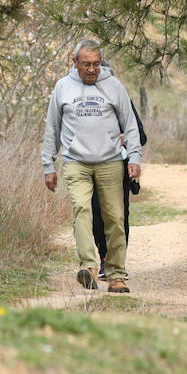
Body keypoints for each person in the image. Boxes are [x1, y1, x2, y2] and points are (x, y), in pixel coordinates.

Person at [42, 39, 142, 294]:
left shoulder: (113, 85)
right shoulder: (63, 87)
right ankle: (88, 267)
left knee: (115, 218)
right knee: (82, 211)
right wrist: (48, 166)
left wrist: (134, 158)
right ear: (74, 62)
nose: (92, 69)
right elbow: (52, 128)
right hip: (76, 162)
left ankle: (116, 275)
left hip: (110, 162)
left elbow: (130, 124)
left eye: (96, 64)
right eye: (86, 64)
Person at [93, 95, 145, 280]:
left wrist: (123, 139)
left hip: (119, 168)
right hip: (90, 165)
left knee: (119, 216)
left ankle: (117, 262)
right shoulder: (82, 103)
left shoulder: (122, 100)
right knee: (96, 213)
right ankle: (104, 258)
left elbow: (141, 136)